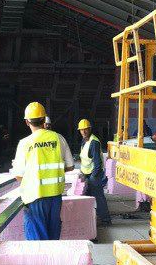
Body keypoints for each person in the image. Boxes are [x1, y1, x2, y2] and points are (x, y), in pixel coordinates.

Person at [13, 102, 75, 240]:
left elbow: (18, 175)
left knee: (37, 242)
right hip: (55, 196)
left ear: (27, 122)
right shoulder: (59, 138)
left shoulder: (25, 143)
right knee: (53, 237)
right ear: (44, 119)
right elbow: (70, 166)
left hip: (35, 196)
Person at [77, 119, 112, 227]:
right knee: (88, 198)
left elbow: (97, 163)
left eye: (85, 129)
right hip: (86, 173)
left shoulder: (94, 142)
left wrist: (93, 177)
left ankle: (105, 220)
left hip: (94, 174)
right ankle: (91, 219)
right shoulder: (84, 141)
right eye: (81, 130)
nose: (83, 132)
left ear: (90, 129)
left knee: (98, 196)